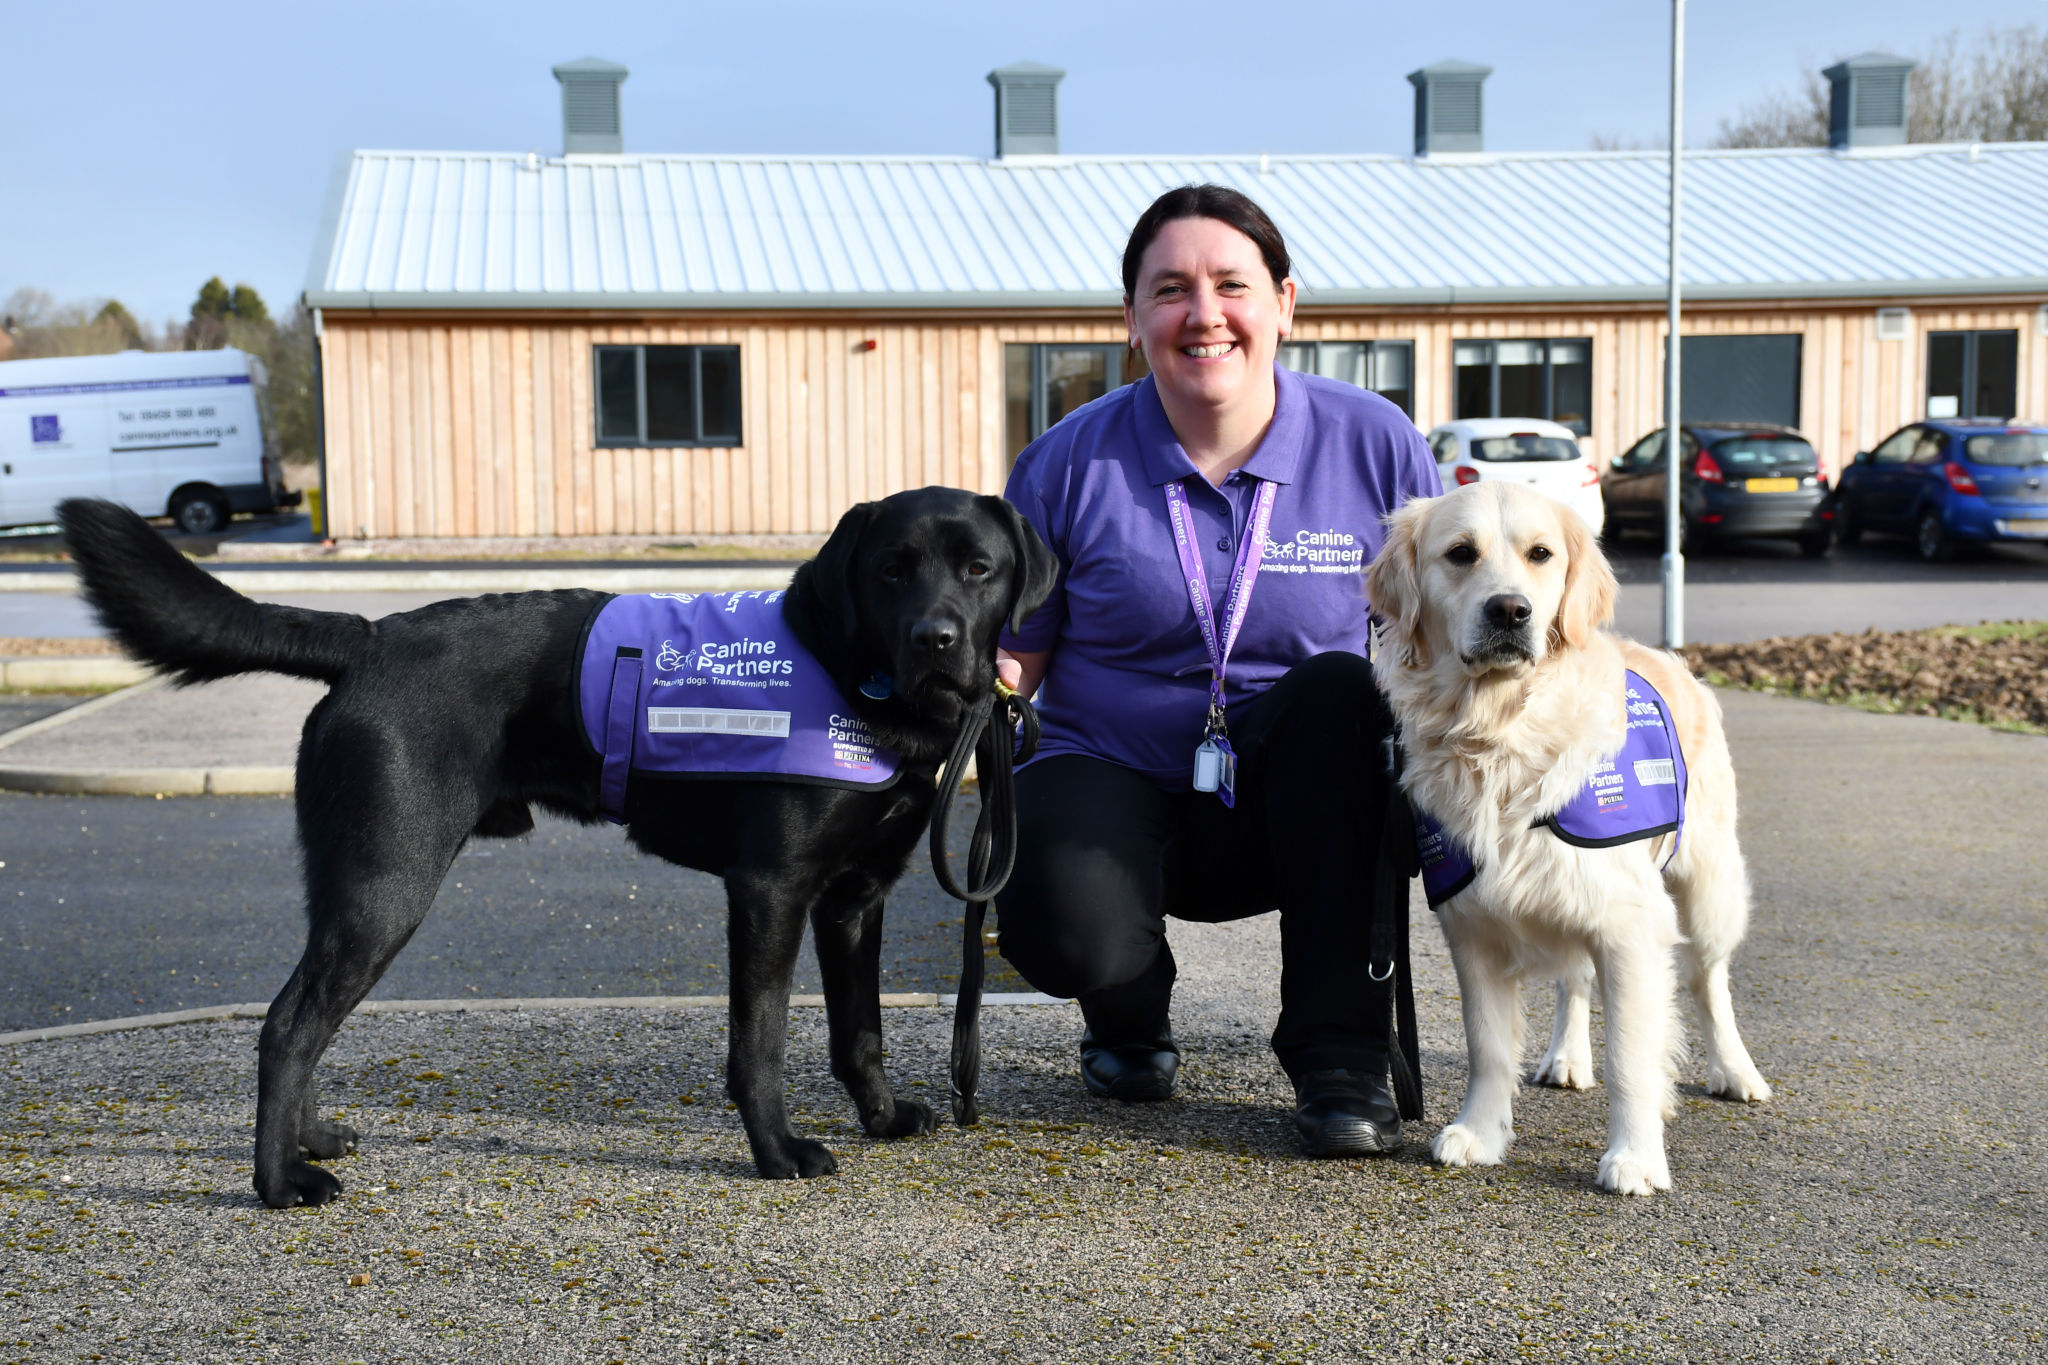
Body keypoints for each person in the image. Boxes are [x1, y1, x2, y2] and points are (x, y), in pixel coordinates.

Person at [994, 183, 1441, 1156]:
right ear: (1131, 317)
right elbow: (1016, 652)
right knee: (1060, 925)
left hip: (1296, 791)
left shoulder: (1374, 443)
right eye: (1169, 290)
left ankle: (1340, 1056)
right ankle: (1124, 1009)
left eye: (1230, 284)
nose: (1203, 314)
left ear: (1283, 302)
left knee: (1340, 696)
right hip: (1108, 769)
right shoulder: (1064, 464)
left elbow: (1447, 616)